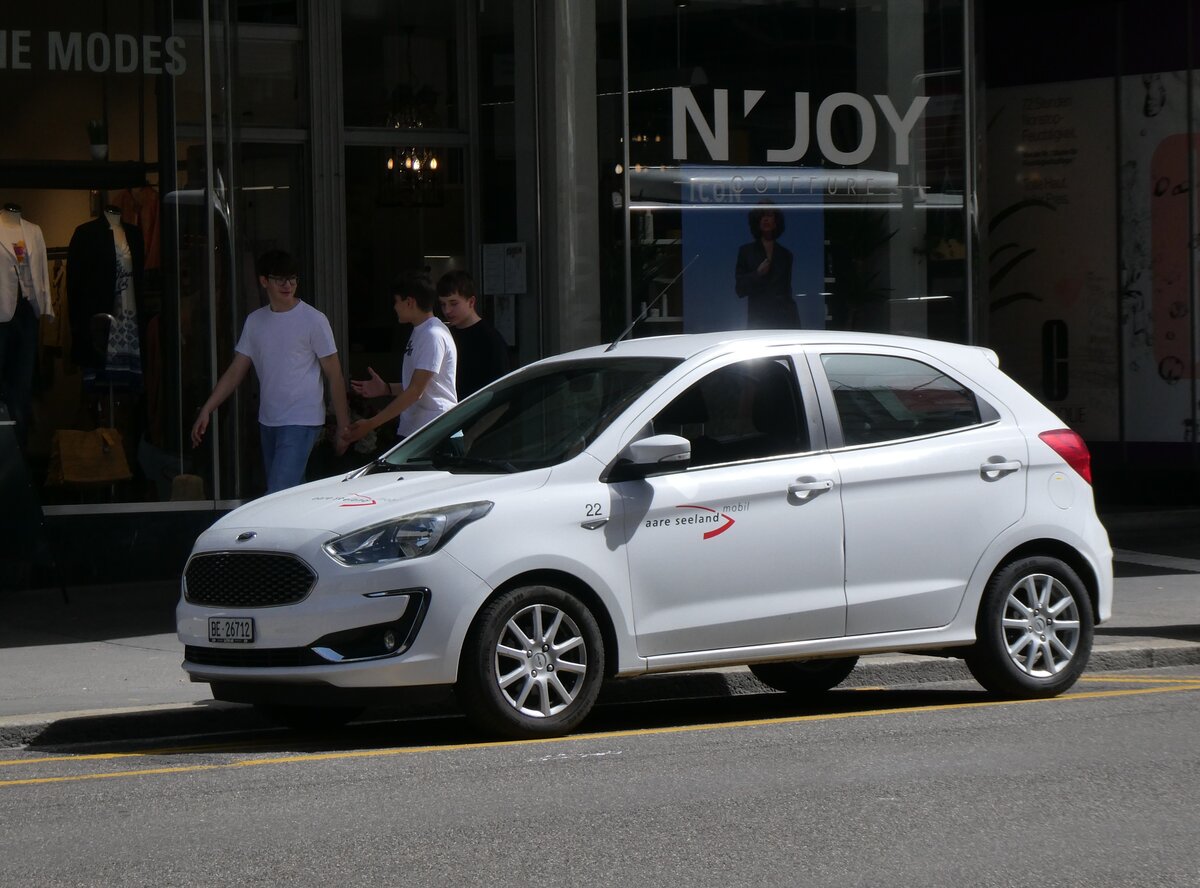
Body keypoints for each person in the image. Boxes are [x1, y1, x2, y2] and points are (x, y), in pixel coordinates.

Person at [191, 250, 350, 494]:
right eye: (280, 279)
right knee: (292, 494)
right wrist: (208, 407)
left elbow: (334, 374)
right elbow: (236, 370)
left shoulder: (314, 320)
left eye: (293, 279)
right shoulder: (255, 321)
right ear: (263, 281)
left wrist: (343, 425)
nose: (288, 285)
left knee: (277, 492)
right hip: (269, 420)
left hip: (302, 419)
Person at [345, 271, 457, 445]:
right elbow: (423, 387)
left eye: (396, 301)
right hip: (418, 432)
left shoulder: (433, 335)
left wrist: (371, 423)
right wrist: (387, 388)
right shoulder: (422, 331)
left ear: (409, 302)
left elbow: (415, 391)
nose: (395, 307)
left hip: (435, 433)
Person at [436, 270, 509, 398]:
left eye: (454, 303)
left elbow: (501, 388)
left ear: (471, 302)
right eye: (443, 304)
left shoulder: (490, 339)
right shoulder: (445, 335)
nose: (447, 310)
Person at [734, 203, 801, 329]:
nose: (765, 219)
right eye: (761, 215)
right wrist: (757, 274)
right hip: (758, 321)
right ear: (756, 221)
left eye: (769, 215)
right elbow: (740, 290)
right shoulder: (746, 252)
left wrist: (795, 325)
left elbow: (787, 292)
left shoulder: (786, 255)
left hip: (784, 321)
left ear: (776, 221)